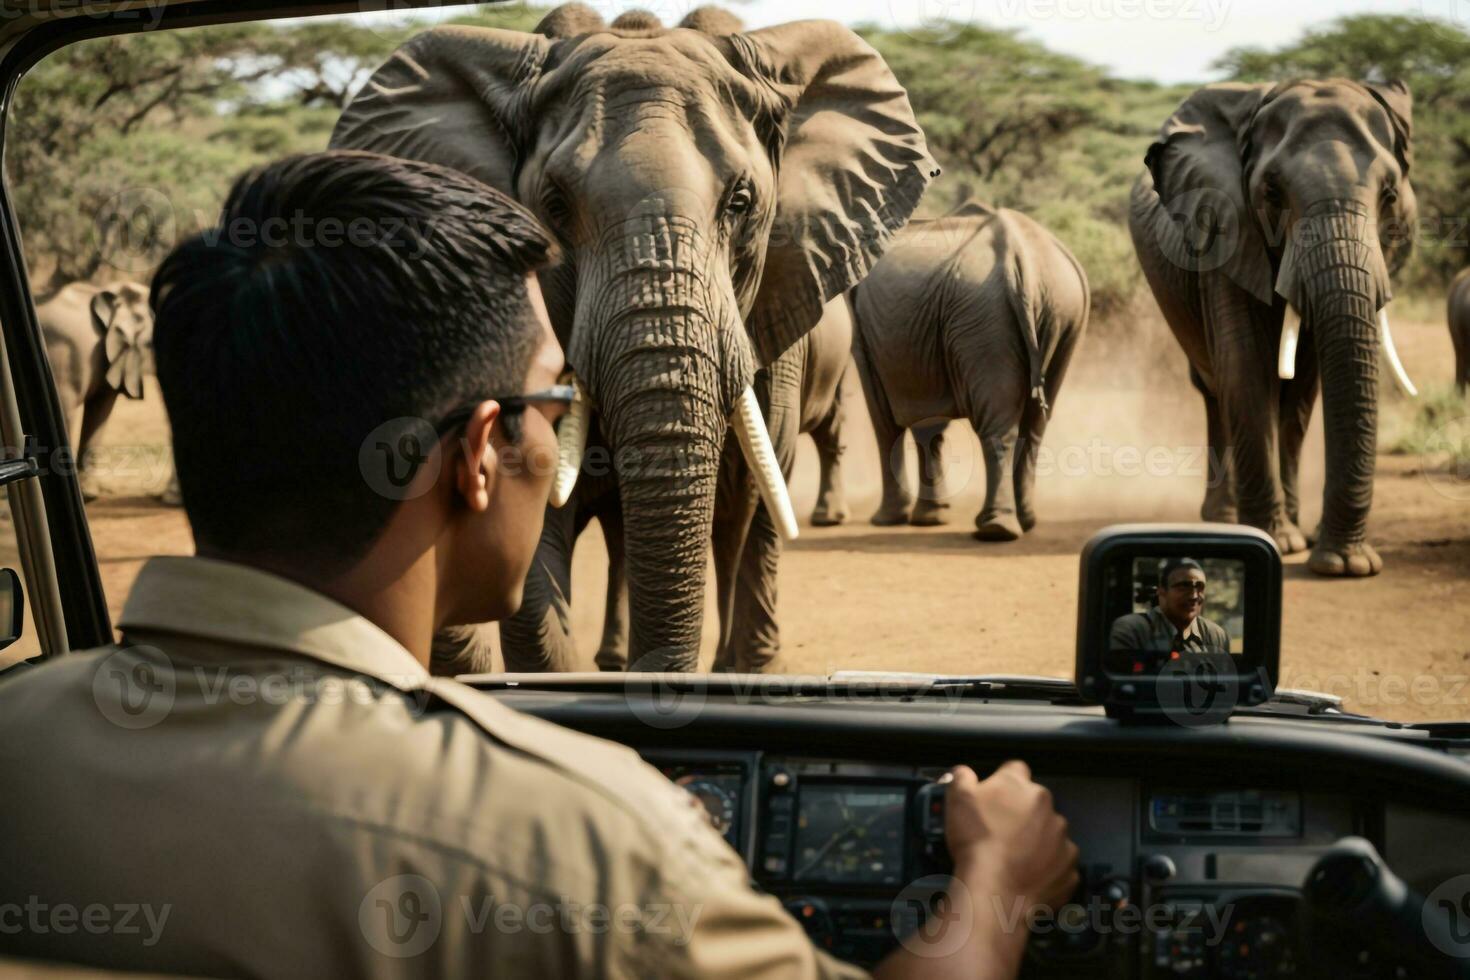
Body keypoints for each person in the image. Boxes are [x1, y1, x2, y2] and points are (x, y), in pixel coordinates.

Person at [0, 151, 1076, 978]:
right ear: (478, 455)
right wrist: (996, 886)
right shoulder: (584, 839)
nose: (561, 431)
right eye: (555, 402)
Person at [1109, 558, 1231, 656]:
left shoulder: (1216, 635)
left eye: (1200, 587)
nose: (1194, 596)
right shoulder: (1132, 630)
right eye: (1183, 586)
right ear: (1162, 592)